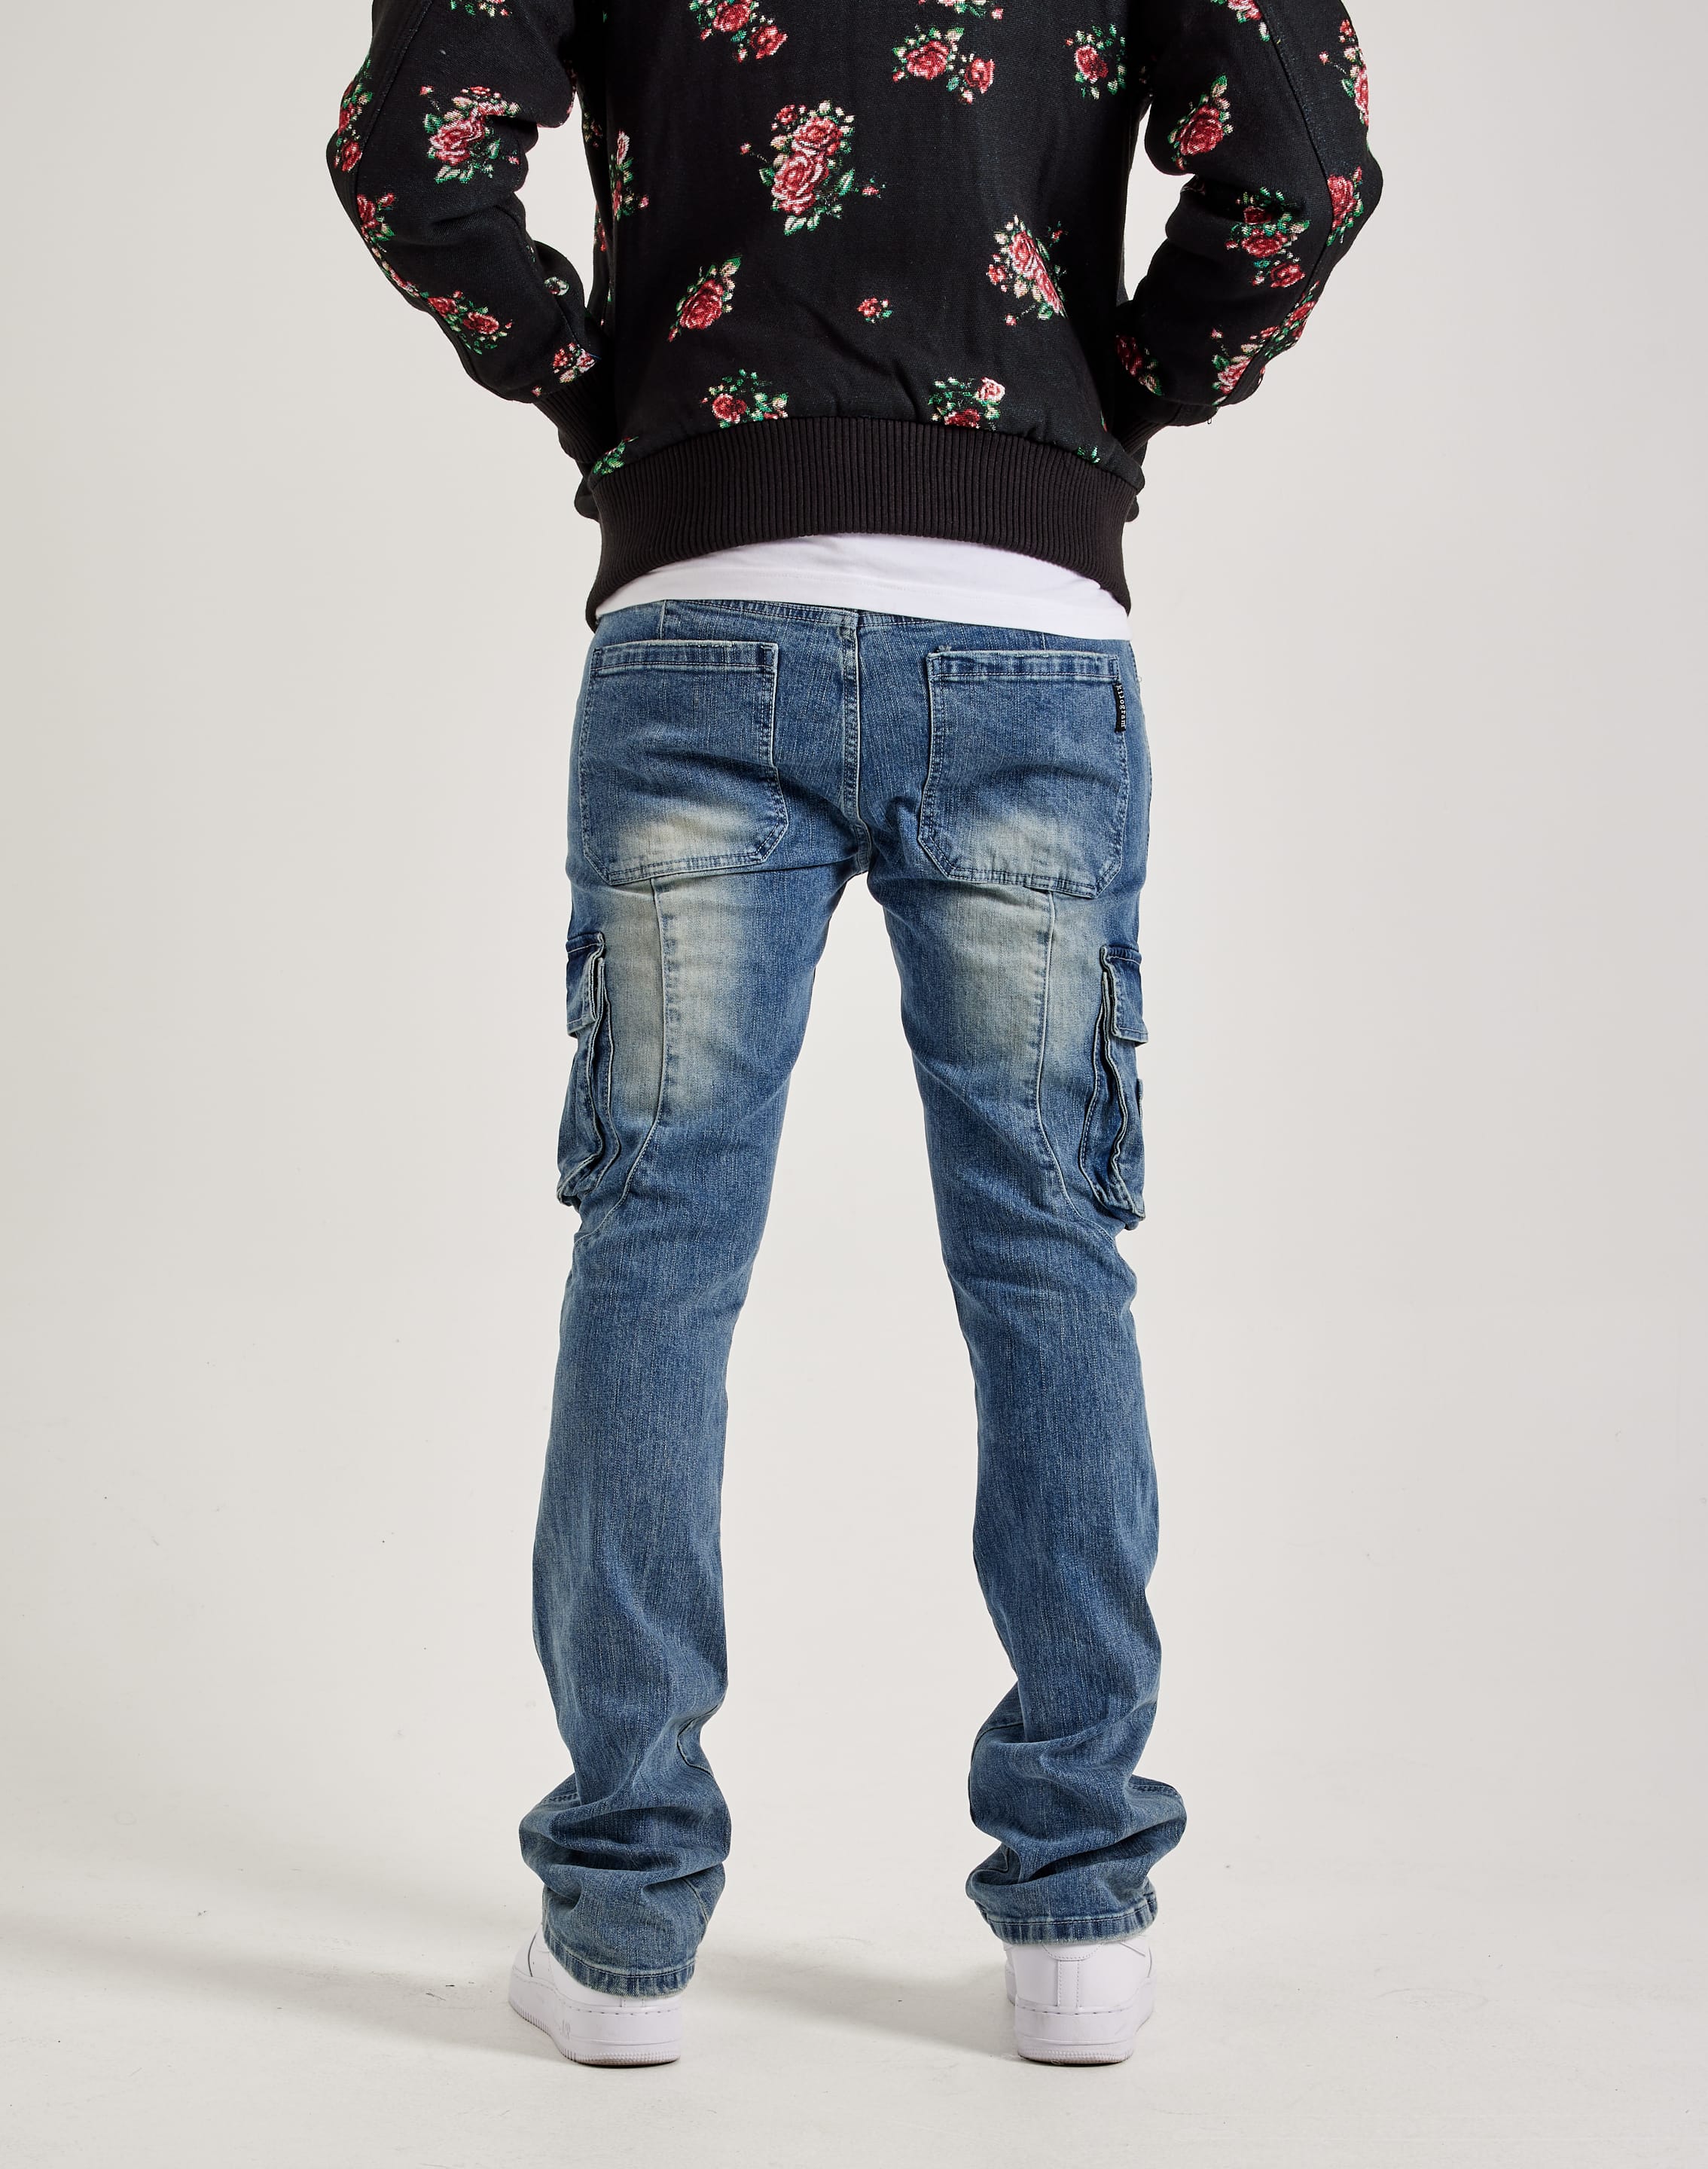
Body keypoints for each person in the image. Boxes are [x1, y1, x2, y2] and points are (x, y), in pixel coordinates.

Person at [328, 0, 1379, 2068]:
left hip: (702, 607)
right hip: (1027, 625)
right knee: (1048, 1259)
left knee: (655, 1254)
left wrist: (602, 381)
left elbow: (417, 145)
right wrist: (1111, 393)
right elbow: (1301, 155)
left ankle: (620, 1930)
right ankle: (1079, 1917)